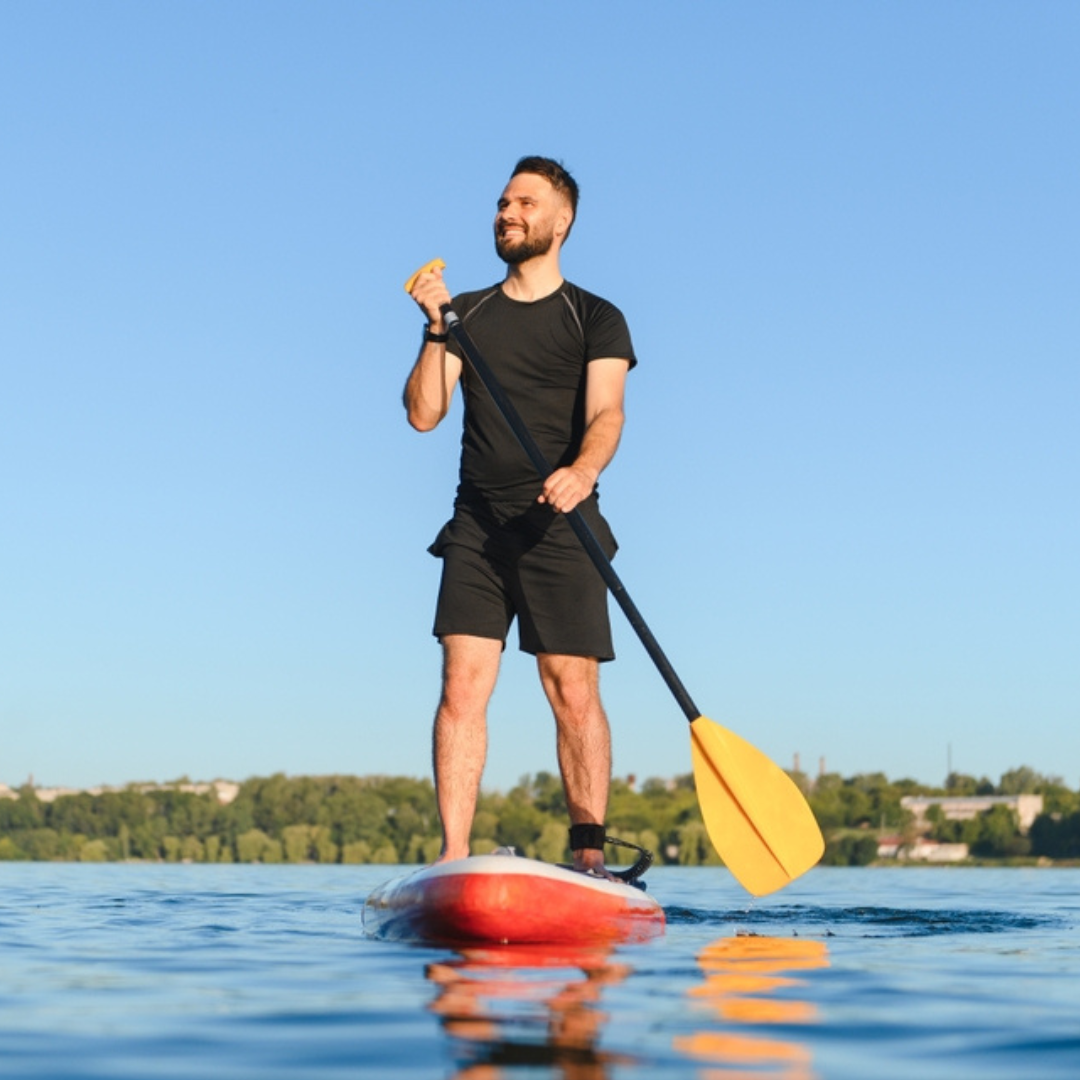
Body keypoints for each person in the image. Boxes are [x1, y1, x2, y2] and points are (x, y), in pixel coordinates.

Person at [404, 156, 636, 878]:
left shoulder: (594, 316)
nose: (508, 212)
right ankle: (453, 857)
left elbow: (607, 413)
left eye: (525, 203)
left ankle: (591, 860)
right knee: (461, 686)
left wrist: (583, 470)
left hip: (561, 526)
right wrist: (437, 328)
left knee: (572, 689)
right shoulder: (466, 314)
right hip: (477, 526)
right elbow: (423, 415)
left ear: (560, 221)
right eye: (503, 201)